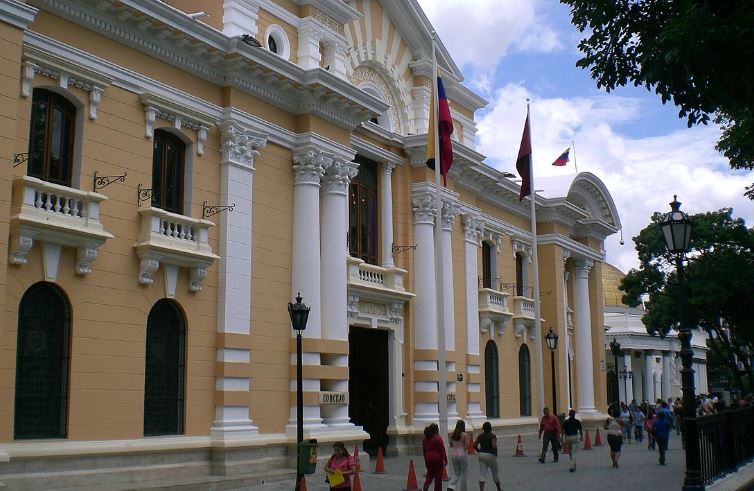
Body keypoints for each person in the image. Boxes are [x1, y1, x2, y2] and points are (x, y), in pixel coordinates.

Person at [474, 422, 503, 491]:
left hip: (481, 454)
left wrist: (479, 451)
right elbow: (493, 446)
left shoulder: (480, 436)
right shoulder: (493, 436)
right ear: (490, 428)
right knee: (495, 473)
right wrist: (495, 453)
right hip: (490, 455)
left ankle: (481, 490)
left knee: (482, 473)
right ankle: (499, 489)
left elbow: (474, 445)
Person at [422, 423, 447, 491]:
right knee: (438, 477)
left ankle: (426, 485)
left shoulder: (425, 439)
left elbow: (424, 450)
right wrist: (445, 459)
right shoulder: (438, 438)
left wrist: (425, 459)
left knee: (429, 474)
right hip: (437, 459)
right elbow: (442, 449)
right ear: (435, 430)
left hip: (428, 458)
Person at [448, 420, 469, 491]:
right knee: (464, 473)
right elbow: (466, 446)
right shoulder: (464, 435)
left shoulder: (452, 434)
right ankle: (463, 489)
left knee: (456, 473)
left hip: (454, 454)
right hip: (462, 454)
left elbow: (451, 444)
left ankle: (451, 485)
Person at [605, 404, 625, 468]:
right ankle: (616, 459)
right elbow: (623, 426)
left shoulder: (608, 420)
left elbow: (605, 427)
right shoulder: (620, 420)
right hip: (617, 435)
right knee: (618, 449)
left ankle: (613, 462)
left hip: (610, 435)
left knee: (612, 449)